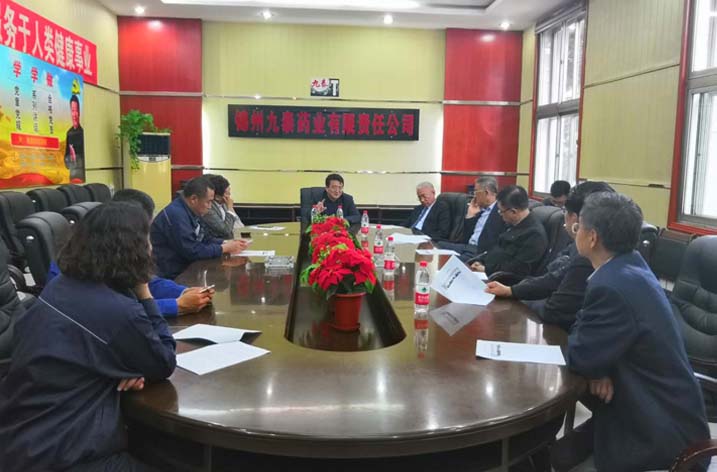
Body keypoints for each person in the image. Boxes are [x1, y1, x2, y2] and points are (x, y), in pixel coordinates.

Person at [0, 202, 176, 472]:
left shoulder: (61, 286)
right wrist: (145, 293)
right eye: (147, 240)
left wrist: (113, 370)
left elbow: (82, 353)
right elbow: (163, 361)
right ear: (133, 249)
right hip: (64, 454)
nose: (151, 248)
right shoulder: (118, 310)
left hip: (21, 437)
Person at [558, 192, 709, 472]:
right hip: (660, 411)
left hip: (656, 433)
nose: (574, 232)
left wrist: (596, 365)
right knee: (556, 454)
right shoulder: (630, 264)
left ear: (592, 238)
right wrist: (600, 367)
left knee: (550, 458)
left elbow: (580, 355)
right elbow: (587, 336)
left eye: (578, 227)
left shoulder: (610, 286)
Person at [46, 189, 215, 316]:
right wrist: (176, 305)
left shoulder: (110, 249)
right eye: (143, 237)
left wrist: (183, 292)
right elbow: (110, 311)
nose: (149, 246)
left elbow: (148, 281)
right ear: (124, 232)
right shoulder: (69, 270)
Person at [485, 182, 613, 331]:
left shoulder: (587, 258)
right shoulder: (581, 248)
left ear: (576, 219)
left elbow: (555, 311)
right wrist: (511, 291)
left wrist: (523, 302)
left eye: (564, 210)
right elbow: (553, 279)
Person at [151, 176, 249, 279]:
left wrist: (226, 242)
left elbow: (203, 238)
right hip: (170, 275)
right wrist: (224, 248)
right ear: (194, 199)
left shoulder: (190, 210)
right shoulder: (177, 215)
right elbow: (192, 251)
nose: (210, 206)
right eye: (208, 202)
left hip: (184, 270)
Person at [469, 185, 547, 277]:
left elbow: (518, 270)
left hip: (501, 280)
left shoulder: (534, 235)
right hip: (487, 269)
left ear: (513, 212)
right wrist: (480, 261)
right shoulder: (513, 223)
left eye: (501, 211)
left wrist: (486, 269)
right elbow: (496, 250)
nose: (500, 214)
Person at [438, 176, 506, 260]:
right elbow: (465, 238)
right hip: (467, 247)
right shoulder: (480, 210)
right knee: (438, 245)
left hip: (479, 251)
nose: (474, 196)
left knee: (449, 261)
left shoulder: (500, 212)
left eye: (476, 192)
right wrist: (470, 215)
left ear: (486, 193)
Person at [201, 174, 244, 240]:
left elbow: (239, 225)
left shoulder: (224, 203)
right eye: (227, 194)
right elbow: (226, 230)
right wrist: (230, 208)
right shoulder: (209, 209)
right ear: (217, 197)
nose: (230, 196)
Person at [64, 94, 85, 182]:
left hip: (82, 174)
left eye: (76, 111)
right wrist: (69, 159)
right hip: (72, 175)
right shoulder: (69, 133)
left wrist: (77, 159)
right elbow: (66, 157)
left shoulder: (82, 132)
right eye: (73, 111)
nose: (74, 114)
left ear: (79, 112)